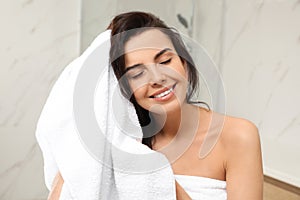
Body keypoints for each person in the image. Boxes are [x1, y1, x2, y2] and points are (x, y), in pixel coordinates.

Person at [48, 11, 263, 200]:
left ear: (184, 63)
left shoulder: (238, 136)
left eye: (165, 61)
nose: (157, 78)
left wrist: (159, 179)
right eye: (137, 73)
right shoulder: (120, 146)